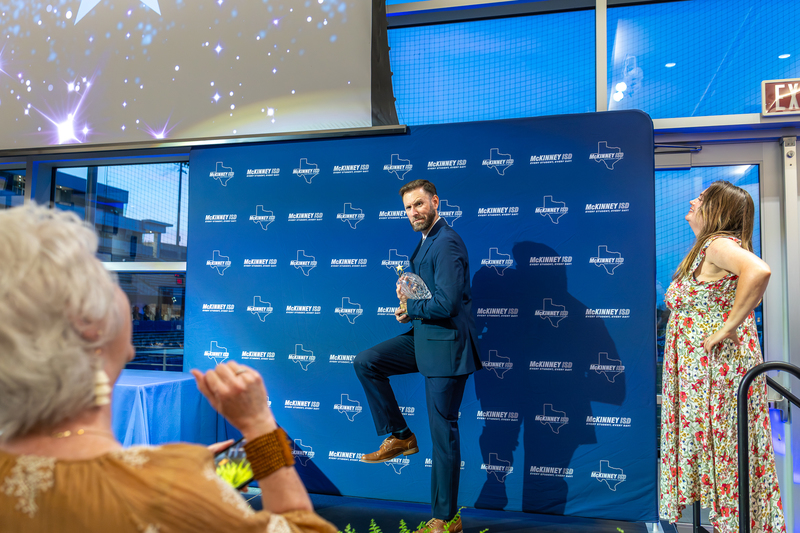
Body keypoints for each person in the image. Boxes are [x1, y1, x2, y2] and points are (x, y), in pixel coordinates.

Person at [0, 205, 336, 533]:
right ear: (90, 326)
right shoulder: (171, 487)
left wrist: (183, 475)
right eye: (103, 277)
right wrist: (259, 426)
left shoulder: (175, 480)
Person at [354, 180, 482, 533]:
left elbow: (449, 303)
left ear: (435, 202)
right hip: (424, 337)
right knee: (367, 361)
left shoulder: (447, 242)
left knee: (443, 435)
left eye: (419, 205)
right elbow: (432, 299)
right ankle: (400, 435)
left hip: (447, 348)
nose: (413, 212)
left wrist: (413, 306)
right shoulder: (427, 241)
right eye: (408, 207)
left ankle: (445, 518)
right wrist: (410, 310)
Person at [659, 181, 785, 533]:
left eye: (699, 198)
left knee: (724, 445)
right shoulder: (707, 248)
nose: (691, 201)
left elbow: (759, 271)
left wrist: (729, 326)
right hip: (703, 375)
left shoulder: (717, 244)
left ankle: (731, 523)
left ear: (715, 210)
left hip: (716, 374)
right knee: (717, 447)